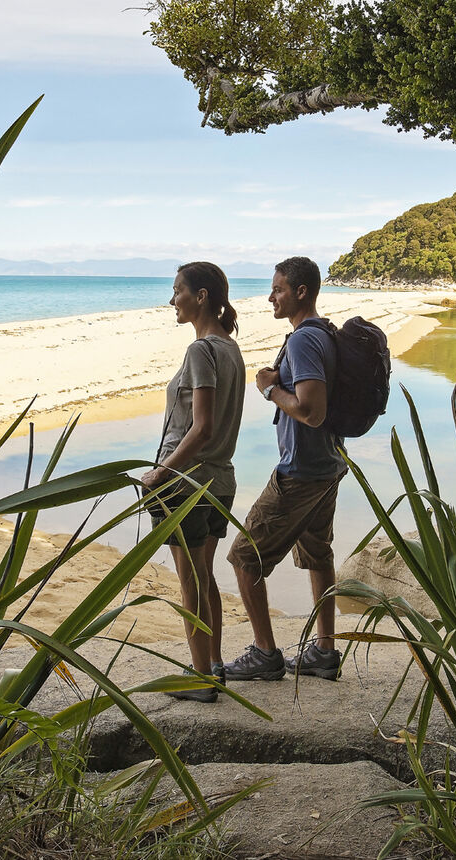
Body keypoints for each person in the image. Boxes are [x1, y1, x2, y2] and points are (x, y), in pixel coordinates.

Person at [223, 257, 346, 682]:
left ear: (301, 292)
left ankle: (264, 653)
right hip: (329, 463)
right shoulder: (324, 334)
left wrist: (270, 388)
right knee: (317, 554)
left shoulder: (302, 342)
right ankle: (324, 652)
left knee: (244, 557)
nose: (270, 296)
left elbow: (311, 411)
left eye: (277, 289)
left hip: (301, 469)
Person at [142, 261, 245, 703]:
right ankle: (214, 664)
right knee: (204, 577)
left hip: (186, 485)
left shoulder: (201, 351)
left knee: (191, 582)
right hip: (220, 481)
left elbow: (199, 428)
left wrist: (161, 472)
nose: (172, 300)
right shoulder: (232, 349)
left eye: (177, 290)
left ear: (201, 296)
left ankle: (200, 676)